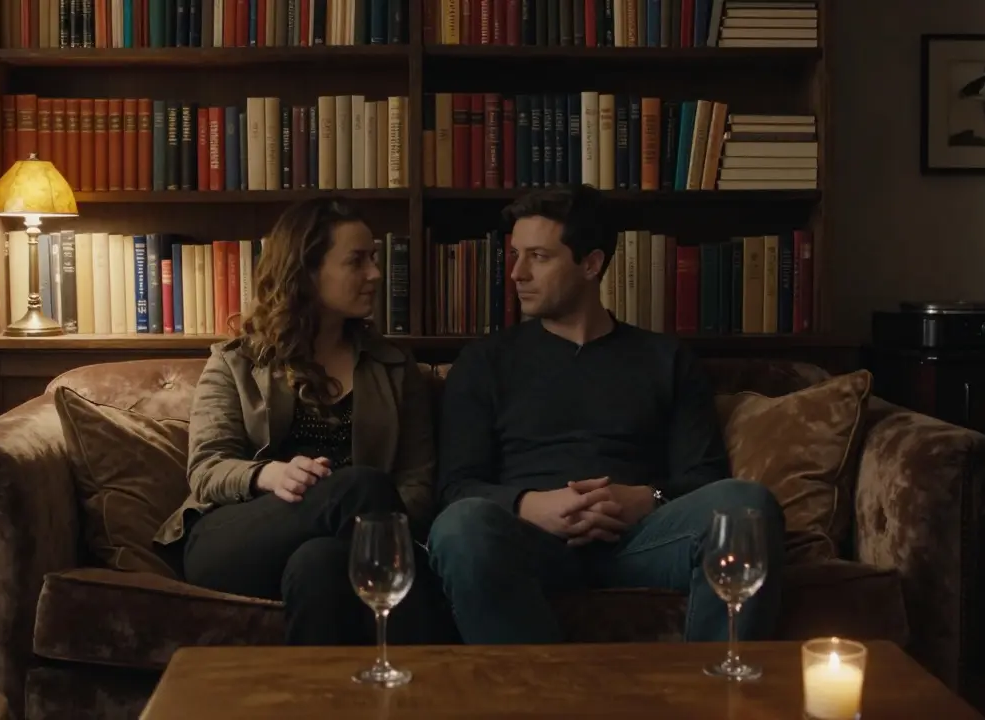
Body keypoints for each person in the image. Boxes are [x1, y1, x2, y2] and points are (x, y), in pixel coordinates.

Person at [425, 184, 786, 645]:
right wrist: (531, 505)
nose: (517, 273)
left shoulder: (665, 359)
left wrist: (645, 497)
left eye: (538, 256)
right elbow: (456, 487)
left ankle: (715, 699)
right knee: (461, 527)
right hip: (530, 542)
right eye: (515, 255)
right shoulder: (484, 362)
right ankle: (534, 699)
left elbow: (704, 476)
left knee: (746, 505)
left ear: (591, 264)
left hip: (641, 542)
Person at [153, 197, 454, 646]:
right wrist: (270, 474)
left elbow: (415, 482)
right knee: (361, 486)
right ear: (308, 272)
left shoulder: (392, 367)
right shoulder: (236, 362)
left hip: (342, 545)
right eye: (358, 260)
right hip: (236, 537)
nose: (375, 273)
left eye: (373, 258)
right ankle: (432, 669)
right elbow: (207, 471)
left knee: (320, 563)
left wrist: (363, 536)